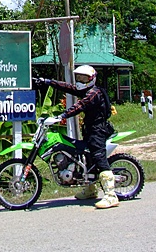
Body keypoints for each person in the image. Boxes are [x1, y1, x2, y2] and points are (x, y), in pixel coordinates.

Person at [36, 65, 119, 209]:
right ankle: (91, 189)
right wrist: (49, 82)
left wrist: (61, 116)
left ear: (91, 79)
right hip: (89, 129)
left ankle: (111, 195)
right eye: (79, 77)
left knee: (98, 157)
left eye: (84, 78)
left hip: (98, 131)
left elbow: (80, 106)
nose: (80, 80)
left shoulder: (94, 93)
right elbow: (69, 87)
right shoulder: (86, 90)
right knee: (87, 157)